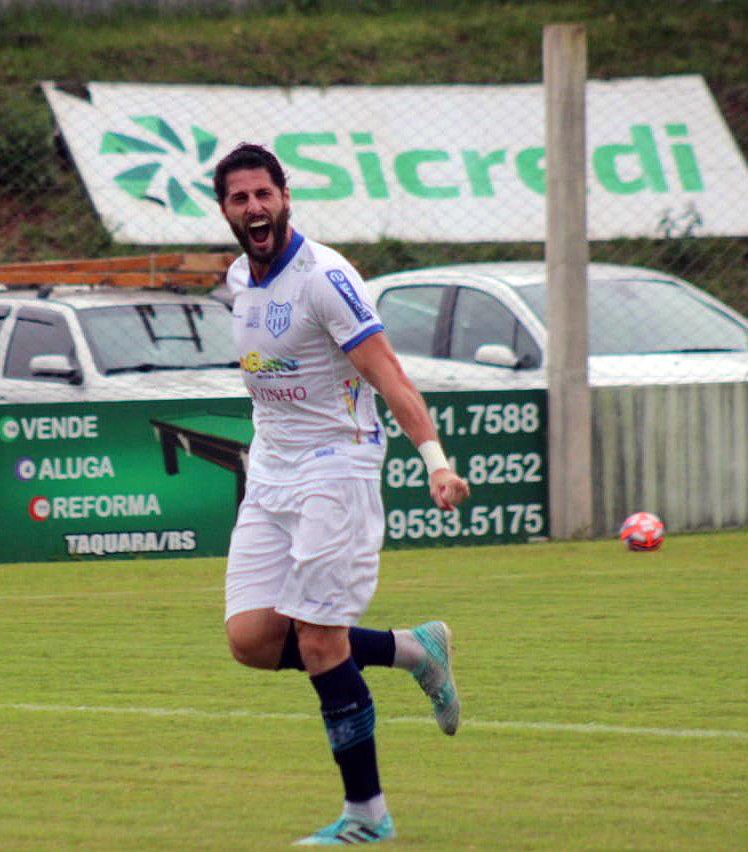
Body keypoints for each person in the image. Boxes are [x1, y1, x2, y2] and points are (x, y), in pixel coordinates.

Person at [213, 143, 471, 846]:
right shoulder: (240, 278)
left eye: (263, 194)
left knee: (321, 641)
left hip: (337, 470)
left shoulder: (325, 277)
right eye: (239, 199)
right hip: (272, 474)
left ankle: (367, 815)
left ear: (284, 195)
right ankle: (414, 650)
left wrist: (435, 461)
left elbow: (390, 376)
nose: (254, 208)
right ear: (226, 211)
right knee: (254, 640)